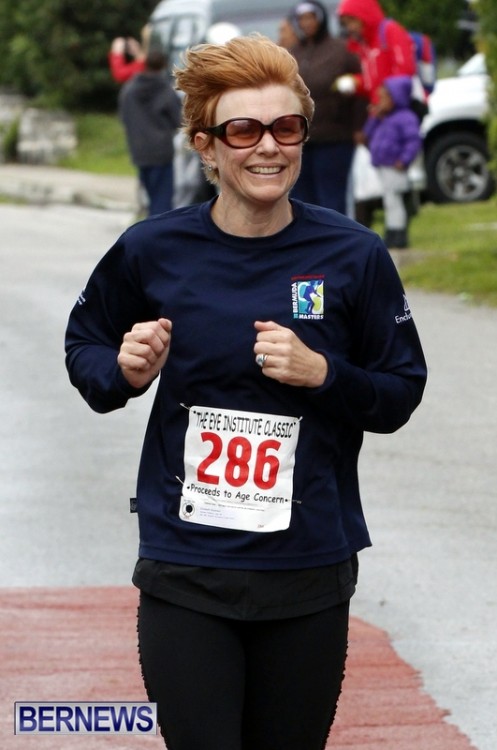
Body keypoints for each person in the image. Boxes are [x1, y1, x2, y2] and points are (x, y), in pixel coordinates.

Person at [65, 34, 427, 750]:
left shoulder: (353, 255)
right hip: (186, 564)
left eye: (286, 127)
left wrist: (325, 374)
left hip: (307, 565)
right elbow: (87, 347)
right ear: (205, 145)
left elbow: (400, 390)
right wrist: (123, 371)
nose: (268, 146)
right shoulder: (152, 249)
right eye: (244, 130)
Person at [288, 1, 367, 214]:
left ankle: (336, 236)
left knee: (332, 199)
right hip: (300, 140)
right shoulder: (291, 53)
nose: (306, 23)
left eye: (311, 17)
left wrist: (358, 127)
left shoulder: (341, 50)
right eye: (302, 18)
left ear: (321, 19)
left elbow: (361, 90)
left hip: (335, 137)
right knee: (301, 201)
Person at [118, 49, 182, 216]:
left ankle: (150, 225)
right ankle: (160, 229)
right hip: (161, 151)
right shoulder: (166, 90)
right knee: (162, 199)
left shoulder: (129, 89)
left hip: (139, 149)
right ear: (164, 65)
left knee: (148, 194)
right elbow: (179, 120)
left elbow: (124, 117)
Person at [363, 76, 422, 249]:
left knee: (395, 201)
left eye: (385, 98)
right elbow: (367, 133)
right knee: (389, 201)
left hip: (395, 166)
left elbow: (413, 141)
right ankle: (392, 231)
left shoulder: (406, 118)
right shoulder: (384, 118)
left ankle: (398, 233)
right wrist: (375, 117)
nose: (381, 102)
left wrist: (404, 159)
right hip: (383, 165)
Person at [335, 0, 416, 105]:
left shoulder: (390, 31)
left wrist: (388, 98)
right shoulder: (365, 45)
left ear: (365, 14)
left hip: (400, 106)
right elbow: (373, 83)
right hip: (380, 108)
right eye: (345, 23)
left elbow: (405, 72)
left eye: (352, 20)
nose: (349, 27)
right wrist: (355, 83)